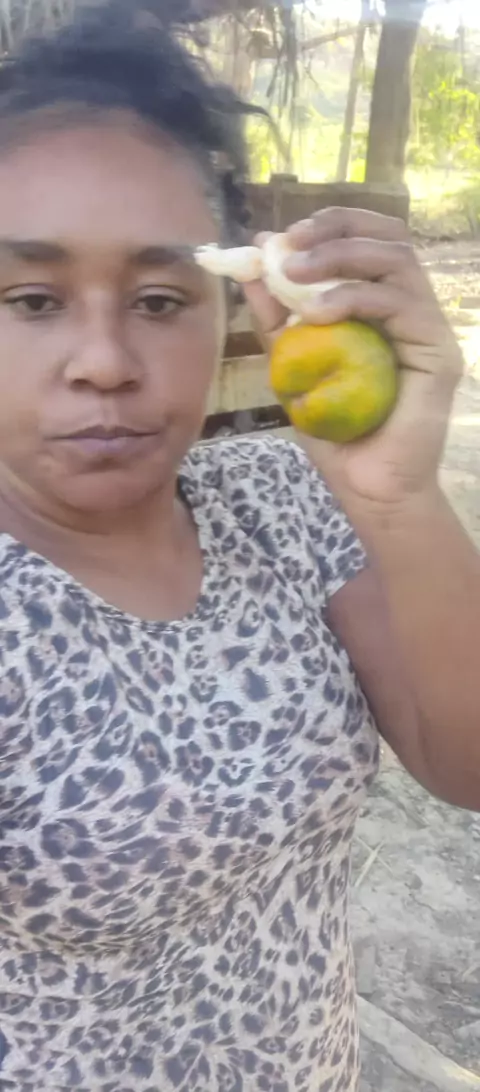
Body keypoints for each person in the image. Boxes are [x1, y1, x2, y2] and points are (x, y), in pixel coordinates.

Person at [0, 5, 478, 1091]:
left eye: (159, 297)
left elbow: (470, 765)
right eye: (31, 298)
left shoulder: (285, 498)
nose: (105, 360)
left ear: (232, 307)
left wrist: (400, 497)